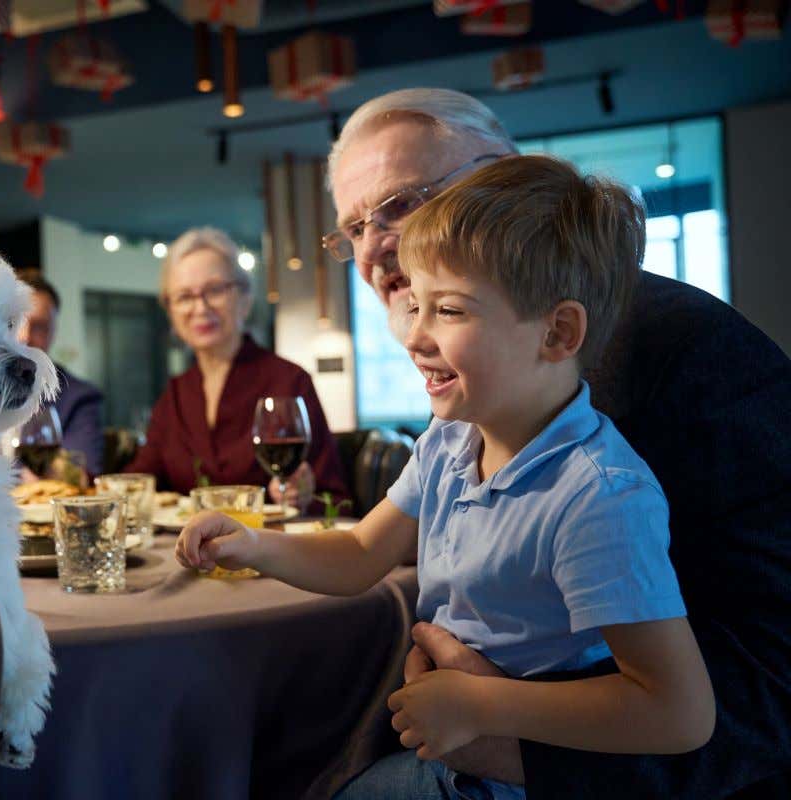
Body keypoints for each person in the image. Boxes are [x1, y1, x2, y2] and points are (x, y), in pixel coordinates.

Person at [178, 154, 716, 799]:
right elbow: (357, 553)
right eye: (418, 306)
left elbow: (677, 712)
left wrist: (484, 704)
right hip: (447, 743)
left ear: (558, 332)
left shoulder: (596, 495)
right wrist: (253, 542)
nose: (415, 337)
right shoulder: (449, 441)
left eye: (451, 311)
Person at [322, 88, 791, 798]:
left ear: (509, 180)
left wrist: (513, 741)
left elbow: (774, 668)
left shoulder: (687, 348)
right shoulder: (467, 368)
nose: (373, 246)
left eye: (403, 203)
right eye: (352, 228)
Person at [123, 226, 347, 512]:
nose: (200, 308)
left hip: (272, 550)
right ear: (171, 312)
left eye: (214, 290)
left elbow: (334, 500)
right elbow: (142, 480)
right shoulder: (176, 393)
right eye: (184, 297)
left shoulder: (289, 381)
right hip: (192, 552)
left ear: (245, 298)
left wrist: (301, 496)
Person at [15, 269, 105, 477]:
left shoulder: (78, 397)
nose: (24, 337)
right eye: (14, 322)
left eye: (39, 326)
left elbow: (80, 473)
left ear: (53, 332)